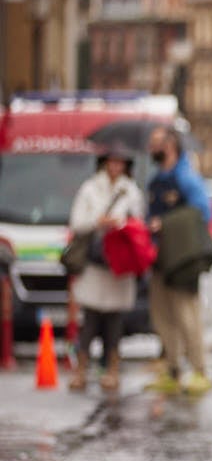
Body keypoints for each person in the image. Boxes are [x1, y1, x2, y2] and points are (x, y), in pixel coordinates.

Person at [67, 145, 145, 392]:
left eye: (120, 162)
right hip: (95, 261)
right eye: (111, 161)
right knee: (89, 320)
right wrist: (98, 221)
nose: (115, 167)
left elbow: (138, 224)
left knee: (114, 321)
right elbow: (77, 222)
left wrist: (121, 224)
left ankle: (112, 370)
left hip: (118, 263)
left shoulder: (131, 191)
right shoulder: (90, 188)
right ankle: (81, 369)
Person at [144, 126, 212, 395]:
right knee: (162, 316)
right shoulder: (155, 181)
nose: (152, 149)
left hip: (183, 259)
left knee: (187, 315)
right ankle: (172, 368)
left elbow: (201, 215)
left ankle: (199, 369)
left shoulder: (187, 178)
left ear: (170, 145)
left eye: (156, 143)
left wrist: (166, 224)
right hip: (159, 257)